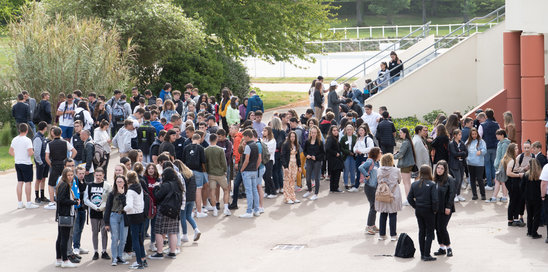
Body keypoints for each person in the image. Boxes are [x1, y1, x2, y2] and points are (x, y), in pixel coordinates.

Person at [150, 167, 184, 260]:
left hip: (164, 211)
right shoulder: (178, 185)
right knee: (172, 232)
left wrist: (156, 187)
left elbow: (157, 196)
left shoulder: (165, 185)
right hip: (175, 211)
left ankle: (159, 253)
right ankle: (172, 252)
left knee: (158, 231)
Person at [407, 165, 438, 261]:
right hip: (428, 210)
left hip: (419, 210)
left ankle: (422, 254)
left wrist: (416, 206)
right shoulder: (432, 184)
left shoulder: (414, 184)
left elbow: (409, 198)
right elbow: (435, 200)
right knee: (429, 232)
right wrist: (434, 210)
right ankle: (426, 254)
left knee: (421, 231)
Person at [45, 127, 77, 210]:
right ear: (61, 133)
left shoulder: (50, 144)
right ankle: (69, 198)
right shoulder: (65, 142)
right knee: (66, 181)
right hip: (64, 164)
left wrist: (51, 164)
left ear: (53, 134)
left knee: (51, 184)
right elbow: (74, 151)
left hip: (55, 164)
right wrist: (69, 160)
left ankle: (52, 202)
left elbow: (46, 157)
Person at [83, 168, 111, 261]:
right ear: (94, 175)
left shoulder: (107, 185)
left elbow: (109, 199)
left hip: (103, 212)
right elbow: (86, 199)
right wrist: (94, 206)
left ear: (103, 175)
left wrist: (103, 206)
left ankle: (104, 251)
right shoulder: (90, 185)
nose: (98, 177)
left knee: (104, 232)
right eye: (97, 175)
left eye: (100, 175)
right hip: (94, 212)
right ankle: (95, 251)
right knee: (95, 232)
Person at [54, 168, 79, 268]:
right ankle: (65, 260)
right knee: (64, 238)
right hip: (65, 214)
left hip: (62, 214)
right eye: (68, 175)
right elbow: (62, 200)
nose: (70, 177)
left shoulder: (62, 184)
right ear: (64, 175)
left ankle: (59, 259)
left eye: (71, 175)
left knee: (60, 237)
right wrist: (74, 202)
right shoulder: (64, 185)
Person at [10, 123, 39, 209]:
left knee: (20, 182)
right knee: (28, 182)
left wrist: (17, 155)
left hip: (17, 162)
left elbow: (11, 151)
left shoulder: (14, 139)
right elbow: (30, 153)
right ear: (27, 130)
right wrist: (33, 152)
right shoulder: (27, 140)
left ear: (19, 130)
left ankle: (19, 202)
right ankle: (29, 202)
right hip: (26, 163)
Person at [375, 153, 402, 241]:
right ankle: (393, 235)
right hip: (393, 194)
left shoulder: (379, 170)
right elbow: (399, 180)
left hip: (382, 193)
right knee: (393, 214)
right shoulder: (396, 170)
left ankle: (382, 234)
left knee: (383, 214)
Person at [103, 175, 129, 266]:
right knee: (114, 238)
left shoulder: (127, 193)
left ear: (124, 183)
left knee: (123, 239)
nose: (119, 183)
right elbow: (108, 208)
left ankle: (120, 256)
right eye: (117, 182)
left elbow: (127, 206)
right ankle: (114, 258)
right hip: (114, 215)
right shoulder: (112, 193)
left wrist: (122, 195)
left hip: (124, 216)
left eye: (121, 181)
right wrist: (106, 223)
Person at [432, 161, 455, 257]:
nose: (439, 170)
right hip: (436, 208)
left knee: (442, 227)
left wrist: (448, 206)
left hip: (446, 208)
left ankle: (449, 247)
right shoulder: (434, 179)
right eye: (438, 168)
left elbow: (452, 194)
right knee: (437, 228)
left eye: (441, 168)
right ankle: (442, 248)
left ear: (445, 169)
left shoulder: (449, 179)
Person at [124, 171, 147, 269]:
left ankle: (138, 262)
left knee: (135, 240)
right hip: (140, 214)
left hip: (133, 216)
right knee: (140, 239)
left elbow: (129, 206)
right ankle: (143, 260)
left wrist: (123, 209)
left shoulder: (130, 191)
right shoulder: (140, 187)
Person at [500, 143, 527, 227]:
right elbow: (509, 173)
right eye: (515, 149)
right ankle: (514, 219)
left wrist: (520, 170)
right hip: (512, 182)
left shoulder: (506, 158)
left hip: (509, 182)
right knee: (515, 200)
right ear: (512, 150)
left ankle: (511, 220)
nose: (517, 150)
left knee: (513, 201)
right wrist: (519, 175)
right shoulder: (511, 160)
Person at [182, 134, 208, 217]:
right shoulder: (200, 148)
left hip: (188, 171)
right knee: (198, 191)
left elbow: (183, 160)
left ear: (192, 139)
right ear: (199, 139)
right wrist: (204, 171)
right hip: (198, 171)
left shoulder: (186, 147)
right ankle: (199, 211)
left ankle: (191, 211)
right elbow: (203, 161)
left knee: (190, 191)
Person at [205, 134, 231, 216]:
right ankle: (226, 208)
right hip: (220, 173)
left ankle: (214, 209)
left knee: (212, 192)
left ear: (209, 140)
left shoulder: (206, 150)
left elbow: (205, 163)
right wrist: (225, 171)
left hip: (211, 173)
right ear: (216, 139)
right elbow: (224, 162)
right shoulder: (220, 150)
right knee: (226, 190)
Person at [238, 129, 262, 217]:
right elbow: (259, 158)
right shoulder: (256, 145)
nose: (243, 138)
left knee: (249, 191)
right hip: (254, 171)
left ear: (247, 136)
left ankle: (249, 211)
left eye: (244, 136)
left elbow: (246, 160)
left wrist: (242, 169)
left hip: (247, 171)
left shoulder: (248, 146)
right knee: (254, 190)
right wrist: (255, 167)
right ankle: (256, 210)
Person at [359, 147, 381, 235]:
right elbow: (361, 167)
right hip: (369, 187)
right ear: (376, 153)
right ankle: (369, 227)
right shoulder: (370, 161)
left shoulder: (377, 163)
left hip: (374, 187)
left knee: (375, 207)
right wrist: (366, 175)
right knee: (373, 206)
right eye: (380, 152)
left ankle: (372, 225)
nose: (381, 154)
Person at [486, 129, 511, 203]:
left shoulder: (505, 144)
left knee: (499, 181)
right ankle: (503, 197)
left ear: (502, 135)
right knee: (501, 181)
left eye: (498, 135)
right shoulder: (500, 143)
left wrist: (500, 167)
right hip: (499, 166)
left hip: (501, 166)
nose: (496, 136)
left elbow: (503, 156)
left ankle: (496, 197)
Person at [478, 109, 500, 190]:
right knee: (494, 166)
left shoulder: (482, 125)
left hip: (486, 147)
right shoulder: (497, 124)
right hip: (495, 147)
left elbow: (479, 137)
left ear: (486, 116)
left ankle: (489, 184)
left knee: (487, 165)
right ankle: (495, 183)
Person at [394, 128, 416, 203]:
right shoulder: (408, 141)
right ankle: (410, 198)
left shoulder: (405, 142)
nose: (399, 134)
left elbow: (401, 154)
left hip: (405, 165)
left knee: (406, 183)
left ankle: (408, 199)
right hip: (409, 164)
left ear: (405, 133)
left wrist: (393, 156)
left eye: (400, 133)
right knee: (408, 182)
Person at [302, 125, 324, 200]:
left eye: (315, 133)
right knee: (308, 177)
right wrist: (306, 155)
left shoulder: (320, 142)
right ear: (310, 133)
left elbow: (323, 154)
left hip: (317, 161)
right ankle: (309, 190)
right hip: (309, 161)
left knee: (316, 178)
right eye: (312, 132)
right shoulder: (307, 142)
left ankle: (316, 193)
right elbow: (304, 151)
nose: (313, 134)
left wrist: (316, 157)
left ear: (317, 133)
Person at [280, 130, 302, 205]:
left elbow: (298, 156)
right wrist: (285, 167)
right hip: (288, 164)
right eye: (291, 136)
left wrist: (299, 166)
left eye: (294, 136)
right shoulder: (286, 145)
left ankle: (293, 196)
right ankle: (287, 197)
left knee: (293, 180)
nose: (292, 138)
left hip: (294, 164)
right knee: (287, 180)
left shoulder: (296, 145)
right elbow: (282, 156)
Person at [465, 128, 487, 200]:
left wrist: (480, 152)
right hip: (470, 163)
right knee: (472, 179)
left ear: (477, 134)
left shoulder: (481, 141)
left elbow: (484, 150)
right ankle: (474, 195)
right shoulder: (468, 141)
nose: (474, 135)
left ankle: (483, 194)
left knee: (480, 179)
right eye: (472, 134)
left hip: (479, 163)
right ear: (470, 135)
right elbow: (464, 149)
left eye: (475, 134)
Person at [524, 159, 543, 239]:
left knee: (529, 215)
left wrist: (524, 195)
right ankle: (534, 232)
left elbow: (522, 187)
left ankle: (529, 231)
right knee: (537, 215)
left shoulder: (526, 175)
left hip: (528, 198)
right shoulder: (540, 176)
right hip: (537, 198)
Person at [352, 125, 375, 191]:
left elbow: (371, 148)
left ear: (365, 131)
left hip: (365, 157)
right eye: (359, 130)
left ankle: (368, 185)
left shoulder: (368, 139)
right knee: (358, 171)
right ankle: (356, 186)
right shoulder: (358, 139)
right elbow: (355, 147)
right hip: (358, 157)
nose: (360, 131)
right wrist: (355, 150)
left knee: (366, 171)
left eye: (362, 130)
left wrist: (361, 151)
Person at [448, 129, 468, 202]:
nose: (460, 136)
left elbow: (466, 152)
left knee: (461, 179)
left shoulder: (462, 143)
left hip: (461, 164)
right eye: (459, 135)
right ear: (455, 135)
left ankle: (458, 194)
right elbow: (454, 154)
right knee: (457, 179)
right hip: (454, 164)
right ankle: (454, 195)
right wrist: (461, 153)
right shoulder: (451, 144)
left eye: (461, 134)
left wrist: (461, 154)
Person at [33, 121, 50, 204]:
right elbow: (36, 152)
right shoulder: (38, 138)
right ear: (45, 128)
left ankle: (42, 196)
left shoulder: (43, 137)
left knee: (43, 179)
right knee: (38, 179)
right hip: (41, 162)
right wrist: (40, 162)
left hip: (44, 161)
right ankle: (37, 197)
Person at [340, 124, 357, 190]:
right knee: (346, 169)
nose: (349, 131)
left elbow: (357, 145)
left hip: (353, 155)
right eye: (348, 130)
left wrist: (353, 152)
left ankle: (352, 183)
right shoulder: (343, 138)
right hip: (346, 155)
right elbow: (341, 147)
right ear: (346, 130)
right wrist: (348, 152)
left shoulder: (355, 137)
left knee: (352, 169)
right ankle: (346, 183)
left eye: (350, 129)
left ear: (353, 130)